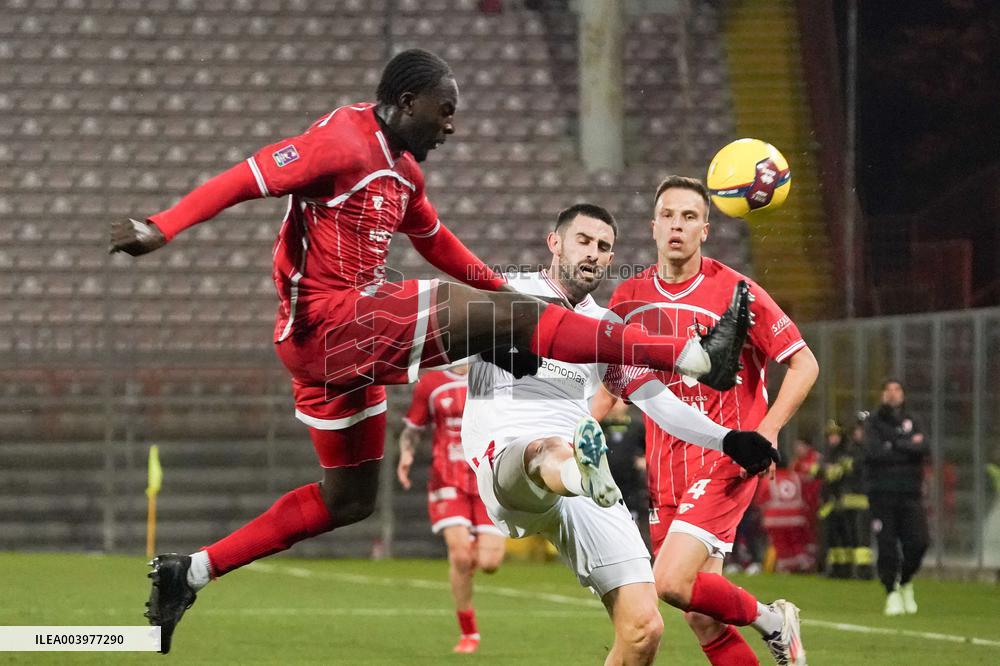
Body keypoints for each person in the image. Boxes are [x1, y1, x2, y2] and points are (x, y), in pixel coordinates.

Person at [110, 50, 755, 653]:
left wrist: (506, 303)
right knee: (497, 320)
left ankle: (189, 571)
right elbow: (247, 178)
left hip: (341, 353)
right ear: (405, 100)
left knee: (348, 500)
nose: (450, 125)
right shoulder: (341, 140)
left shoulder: (405, 172)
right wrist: (162, 226)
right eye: (443, 110)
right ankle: (693, 355)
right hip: (330, 325)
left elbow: (439, 243)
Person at [462, 202, 780, 665]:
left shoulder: (606, 327)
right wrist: (492, 348)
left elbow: (654, 398)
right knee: (547, 449)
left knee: (643, 628)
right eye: (583, 241)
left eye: (604, 247)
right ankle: (577, 471)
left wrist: (726, 439)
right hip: (510, 454)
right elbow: (440, 345)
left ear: (611, 259)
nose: (592, 253)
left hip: (591, 483)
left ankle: (582, 473)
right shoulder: (507, 292)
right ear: (555, 242)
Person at [595, 175, 819, 666]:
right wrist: (576, 436)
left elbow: (804, 362)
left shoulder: (737, 291)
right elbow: (614, 384)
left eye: (689, 217)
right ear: (653, 228)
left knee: (669, 582)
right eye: (669, 216)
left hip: (727, 458)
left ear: (706, 231)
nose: (678, 226)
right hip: (665, 467)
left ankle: (772, 620)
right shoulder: (628, 298)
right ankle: (772, 629)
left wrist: (769, 428)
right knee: (701, 613)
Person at [397, 364, 505, 654]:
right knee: (459, 555)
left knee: (490, 564)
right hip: (448, 478)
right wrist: (406, 455)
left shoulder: (495, 377)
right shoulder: (431, 383)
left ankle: (474, 546)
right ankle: (468, 630)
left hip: (488, 479)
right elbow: (413, 428)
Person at [864, 379, 929, 616]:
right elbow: (873, 452)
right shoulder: (873, 421)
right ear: (882, 394)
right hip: (882, 494)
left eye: (897, 389)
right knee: (887, 545)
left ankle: (906, 580)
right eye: (888, 390)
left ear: (903, 394)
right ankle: (891, 591)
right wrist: (907, 446)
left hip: (911, 492)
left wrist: (892, 445)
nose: (893, 394)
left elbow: (924, 448)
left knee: (919, 542)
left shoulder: (915, 419)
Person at [818, 418, 872, 579]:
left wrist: (826, 470)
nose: (832, 439)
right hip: (840, 500)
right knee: (840, 538)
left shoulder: (859, 451)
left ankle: (863, 571)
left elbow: (837, 472)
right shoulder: (840, 451)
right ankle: (841, 569)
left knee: (859, 539)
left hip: (857, 500)